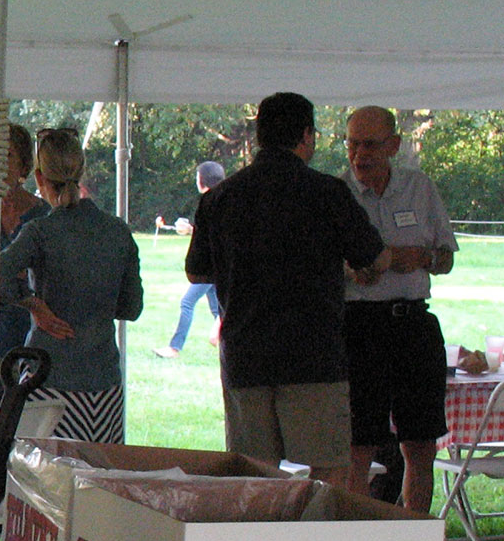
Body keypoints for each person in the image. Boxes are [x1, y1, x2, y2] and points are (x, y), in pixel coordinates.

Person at [185, 92, 385, 483]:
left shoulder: (221, 196)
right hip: (313, 355)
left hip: (246, 354)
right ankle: (316, 526)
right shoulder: (327, 191)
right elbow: (374, 259)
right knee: (328, 469)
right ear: (306, 135)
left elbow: (196, 273)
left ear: (259, 135)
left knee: (253, 476)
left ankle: (263, 526)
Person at [341, 105, 456, 512]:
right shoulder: (337, 193)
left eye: (370, 145)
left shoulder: (419, 188)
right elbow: (315, 267)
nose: (359, 155)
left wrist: (422, 257)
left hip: (412, 324)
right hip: (359, 326)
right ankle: (351, 540)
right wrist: (351, 270)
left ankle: (414, 535)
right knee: (357, 446)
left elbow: (446, 259)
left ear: (393, 145)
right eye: (352, 144)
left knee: (420, 444)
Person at [0, 126, 142, 443]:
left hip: (47, 381)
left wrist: (32, 302)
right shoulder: (118, 231)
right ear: (81, 171)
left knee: (43, 471)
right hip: (104, 384)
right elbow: (131, 308)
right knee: (101, 471)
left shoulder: (40, 231)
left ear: (39, 177)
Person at [153, 160, 226, 358]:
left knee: (187, 302)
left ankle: (174, 347)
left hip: (209, 267)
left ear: (202, 180)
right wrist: (192, 229)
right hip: (216, 268)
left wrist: (193, 231)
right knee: (216, 308)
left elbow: (210, 237)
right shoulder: (222, 201)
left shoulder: (210, 203)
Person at [0, 122, 49, 357]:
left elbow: (47, 282)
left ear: (24, 166)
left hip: (33, 341)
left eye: (7, 155)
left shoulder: (43, 217)